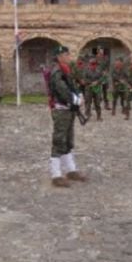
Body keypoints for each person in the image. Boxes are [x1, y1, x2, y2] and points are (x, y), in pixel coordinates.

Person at [48, 45, 88, 187]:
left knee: (68, 140)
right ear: (59, 57)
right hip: (61, 109)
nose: (68, 57)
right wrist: (75, 99)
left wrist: (79, 95)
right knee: (59, 140)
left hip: (69, 109)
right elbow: (62, 90)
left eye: (68, 54)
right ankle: (56, 174)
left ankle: (71, 170)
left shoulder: (66, 70)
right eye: (66, 55)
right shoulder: (57, 72)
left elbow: (72, 86)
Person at [83, 56, 103, 120]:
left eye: (94, 64)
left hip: (97, 89)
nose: (93, 65)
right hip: (89, 88)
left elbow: (102, 78)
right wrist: (91, 82)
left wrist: (97, 82)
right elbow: (84, 79)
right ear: (89, 64)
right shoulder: (86, 71)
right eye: (91, 64)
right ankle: (87, 115)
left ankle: (99, 116)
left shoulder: (99, 71)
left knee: (97, 102)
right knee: (88, 102)